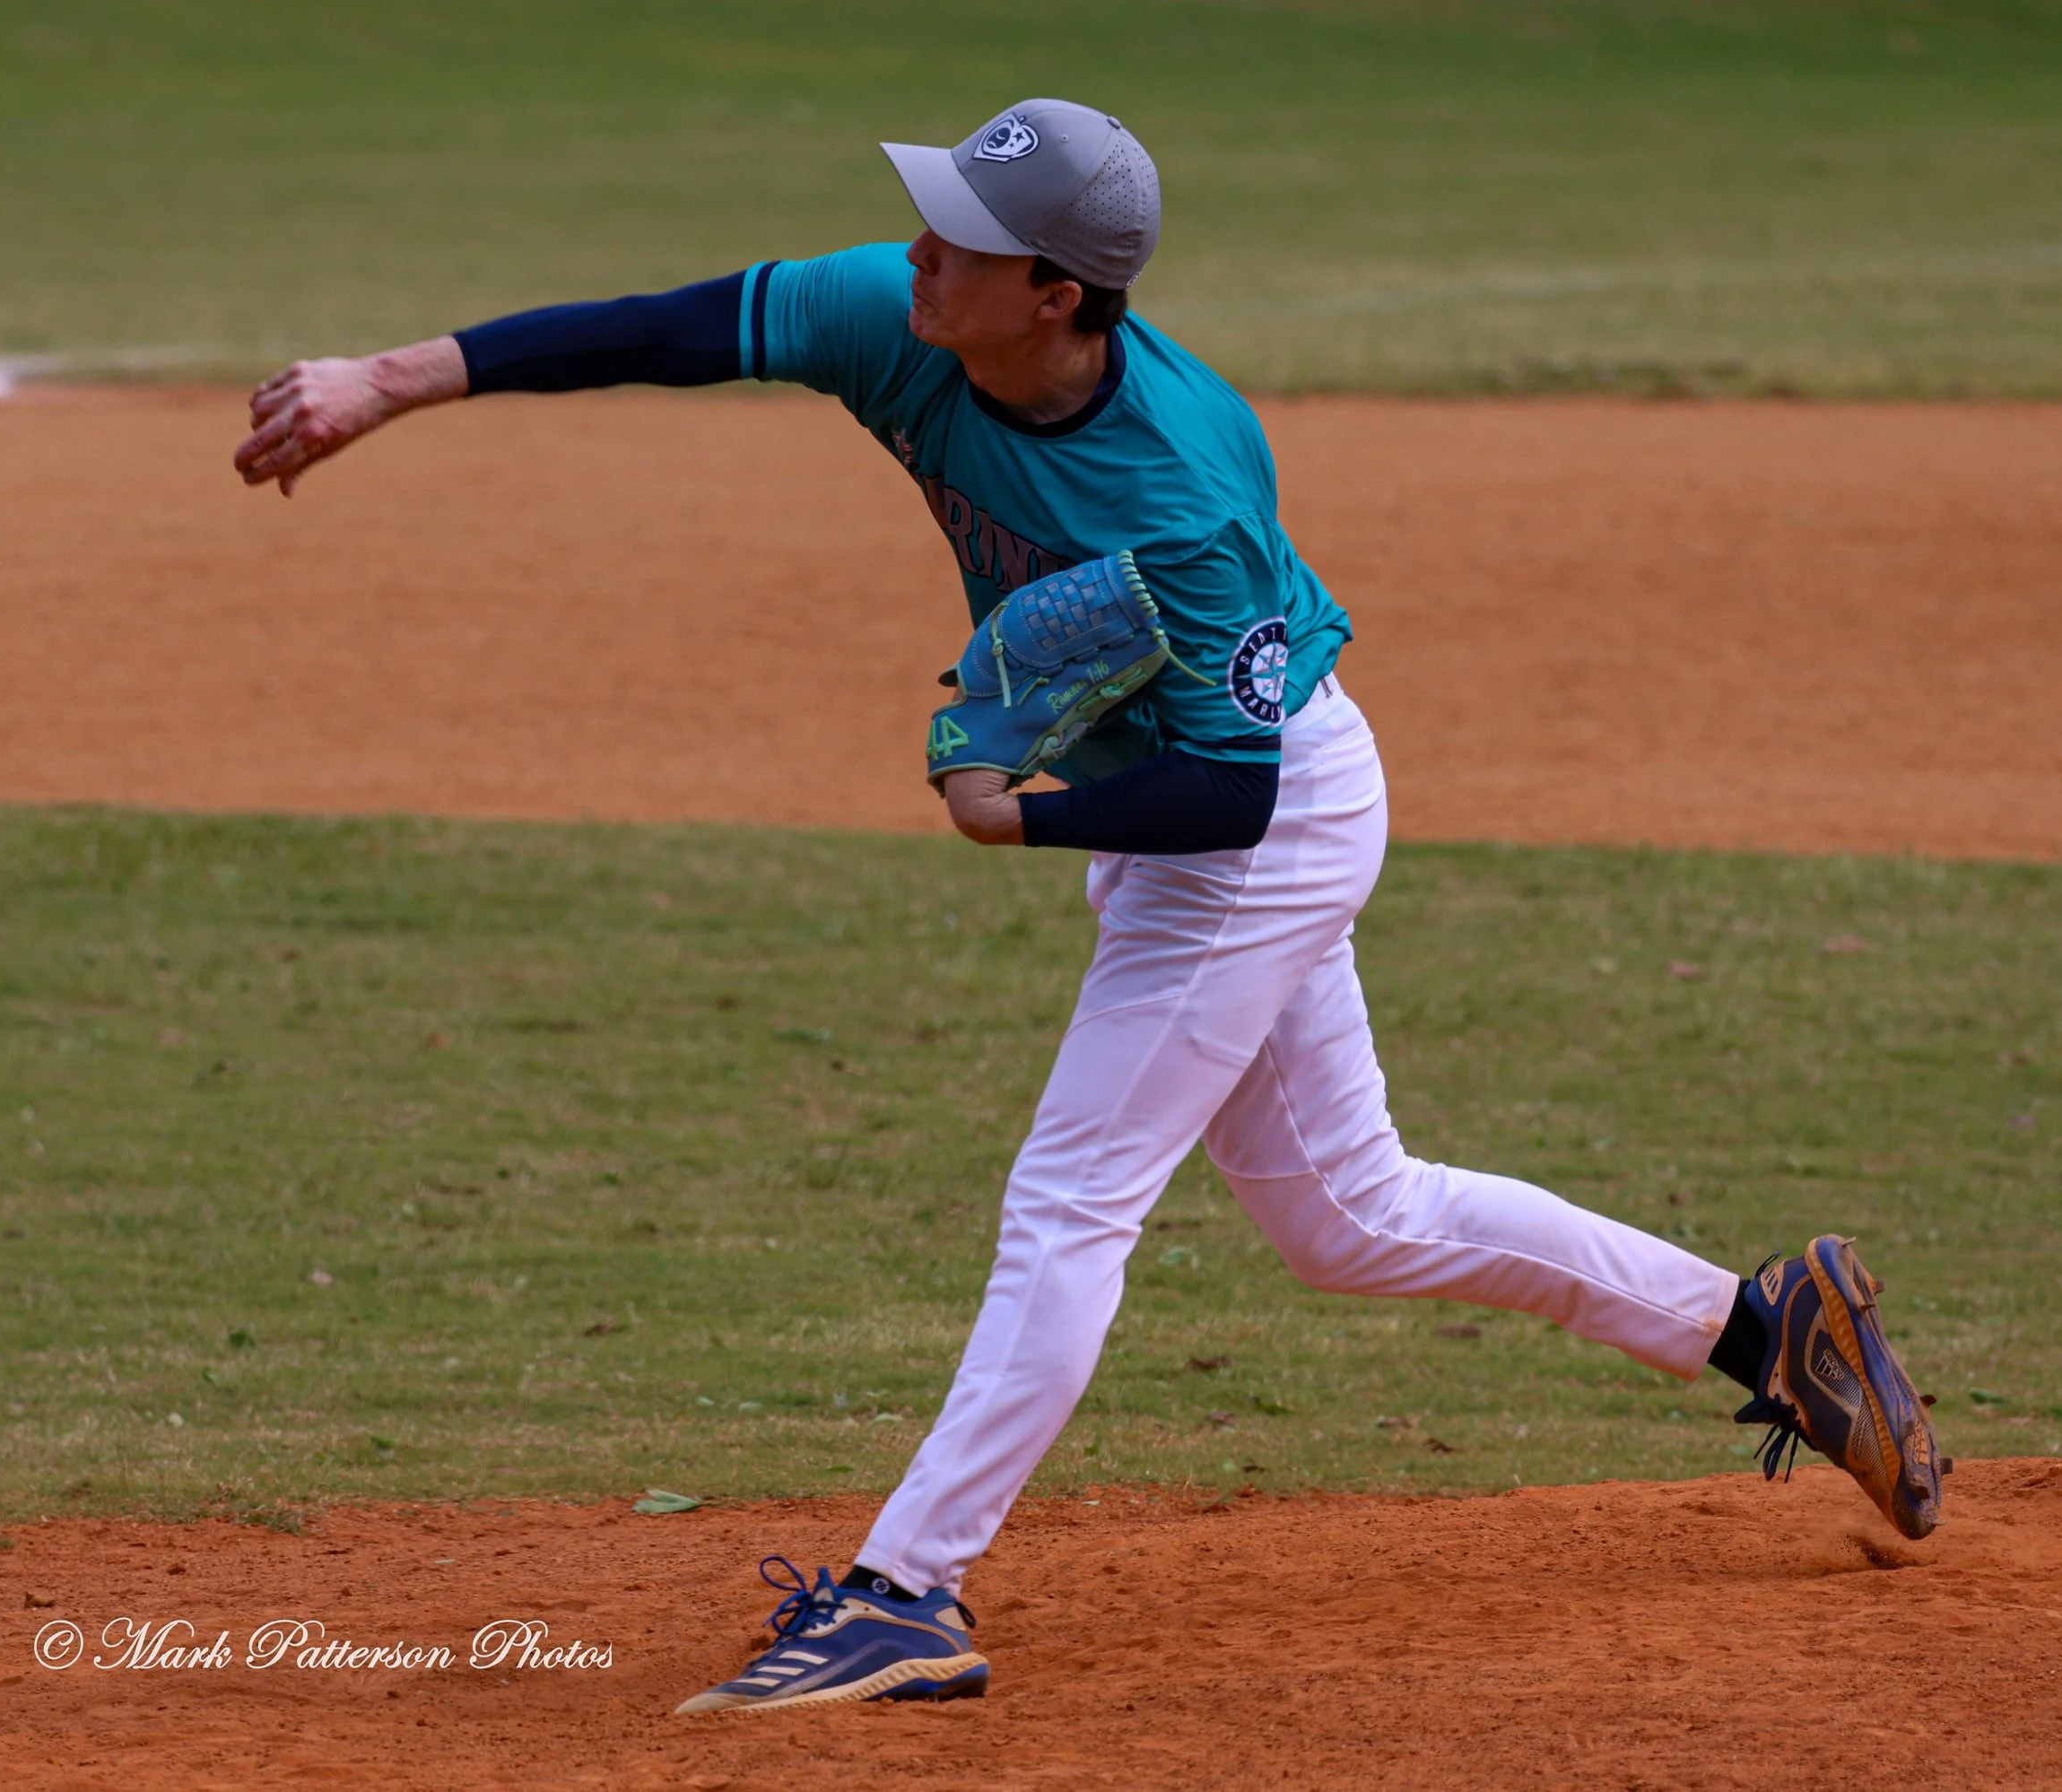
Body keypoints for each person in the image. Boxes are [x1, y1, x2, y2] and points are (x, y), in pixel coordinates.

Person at [234, 98, 1944, 1716]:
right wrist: (388, 381)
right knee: (1352, 1219)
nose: (917, 246)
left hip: (1248, 823)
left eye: (962, 236)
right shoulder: (901, 314)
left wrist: (1024, 815)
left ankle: (908, 1592)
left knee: (1072, 1195)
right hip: (1192, 810)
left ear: (1056, 291)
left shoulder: (1179, 490)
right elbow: (672, 325)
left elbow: (1236, 793)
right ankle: (1763, 1322)